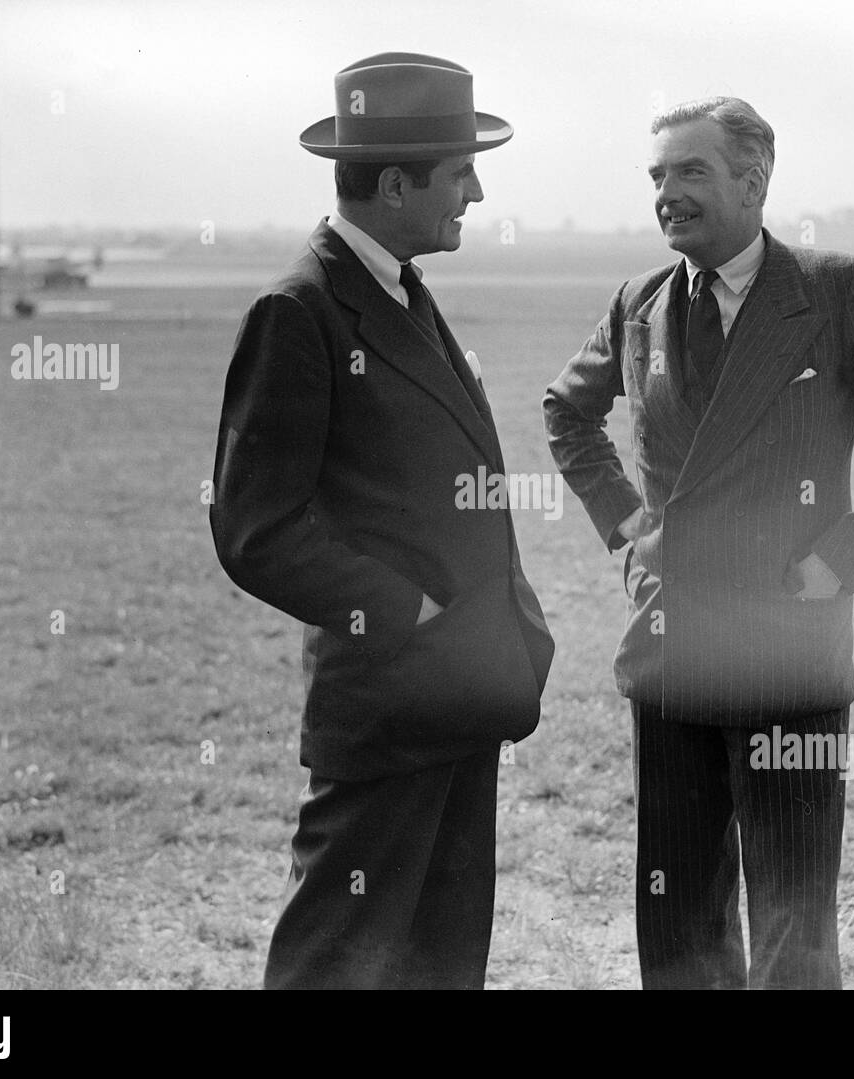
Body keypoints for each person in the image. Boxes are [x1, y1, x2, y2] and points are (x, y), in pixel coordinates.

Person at [542, 97, 854, 989]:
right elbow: (564, 412)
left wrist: (839, 561)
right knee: (679, 916)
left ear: (755, 180)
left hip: (789, 652)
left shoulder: (842, 290)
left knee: (794, 925)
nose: (666, 194)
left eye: (689, 172)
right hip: (673, 652)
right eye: (657, 176)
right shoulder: (639, 303)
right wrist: (627, 526)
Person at [210, 52, 554, 989]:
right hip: (388, 704)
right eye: (459, 171)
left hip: (459, 697)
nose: (476, 192)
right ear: (395, 181)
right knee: (336, 965)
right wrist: (410, 611)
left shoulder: (400, 286)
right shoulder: (299, 311)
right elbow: (254, 529)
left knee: (441, 965)